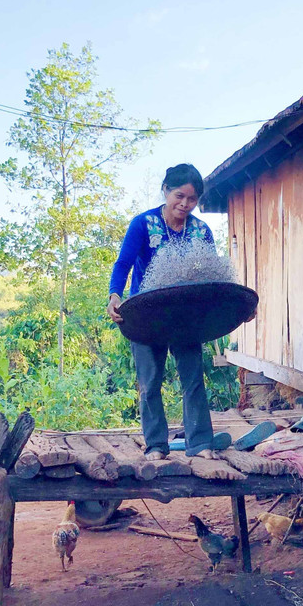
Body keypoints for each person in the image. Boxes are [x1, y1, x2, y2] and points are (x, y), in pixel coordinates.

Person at [107, 163, 219, 461]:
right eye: (179, 196)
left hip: (185, 317)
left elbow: (213, 276)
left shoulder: (201, 231)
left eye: (192, 199)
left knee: (193, 379)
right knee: (149, 383)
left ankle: (200, 444)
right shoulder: (143, 224)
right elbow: (123, 264)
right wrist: (115, 295)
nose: (185, 204)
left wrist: (233, 308)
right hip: (145, 315)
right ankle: (156, 445)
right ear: (166, 191)